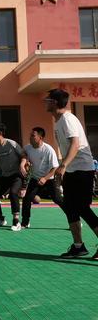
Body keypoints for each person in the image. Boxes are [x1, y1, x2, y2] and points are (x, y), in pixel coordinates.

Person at [44, 89, 98, 258]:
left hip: (82, 169)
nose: (44, 102)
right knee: (71, 209)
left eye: (47, 99)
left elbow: (75, 144)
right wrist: (64, 166)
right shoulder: (58, 121)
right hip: (72, 170)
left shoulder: (67, 119)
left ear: (54, 102)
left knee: (82, 207)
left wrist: (63, 165)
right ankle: (78, 246)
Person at [20, 126, 64, 229]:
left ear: (40, 137)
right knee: (27, 199)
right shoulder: (28, 147)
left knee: (58, 200)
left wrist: (45, 178)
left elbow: (55, 167)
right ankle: (25, 222)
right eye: (30, 135)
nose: (30, 137)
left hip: (50, 179)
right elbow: (23, 153)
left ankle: (74, 220)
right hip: (35, 178)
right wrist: (23, 162)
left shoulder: (48, 150)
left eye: (33, 135)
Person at [0, 123, 27, 231]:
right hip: (5, 176)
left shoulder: (11, 143)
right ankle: (0, 219)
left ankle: (16, 221)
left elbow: (24, 155)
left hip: (16, 175)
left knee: (14, 193)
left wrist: (21, 164)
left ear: (0, 133)